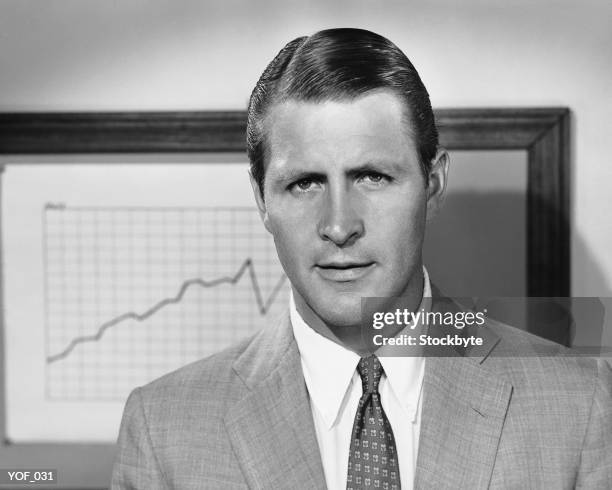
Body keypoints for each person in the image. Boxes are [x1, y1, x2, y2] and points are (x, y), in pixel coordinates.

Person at [111, 28, 612, 489]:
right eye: (304, 183)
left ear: (433, 184)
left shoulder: (580, 406)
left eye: (372, 177)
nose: (338, 225)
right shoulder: (162, 431)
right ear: (263, 199)